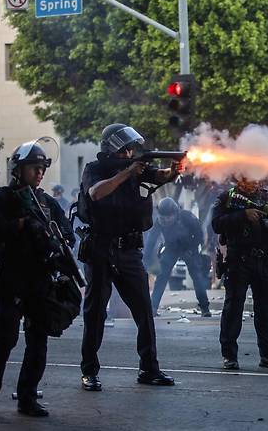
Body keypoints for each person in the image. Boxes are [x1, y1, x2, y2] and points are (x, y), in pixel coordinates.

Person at [78, 123, 177, 391]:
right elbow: (96, 193)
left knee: (144, 310)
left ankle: (149, 368)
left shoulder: (136, 171)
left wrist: (175, 170)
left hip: (129, 251)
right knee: (95, 312)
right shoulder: (95, 169)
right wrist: (127, 172)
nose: (131, 152)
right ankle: (89, 371)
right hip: (100, 249)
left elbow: (162, 176)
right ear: (115, 148)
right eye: (127, 149)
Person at [0, 140, 74, 418]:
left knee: (38, 341)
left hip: (39, 282)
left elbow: (67, 232)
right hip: (11, 281)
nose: (39, 172)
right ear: (18, 169)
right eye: (34, 167)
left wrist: (57, 240)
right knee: (5, 340)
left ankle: (27, 398)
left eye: (42, 168)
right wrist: (22, 224)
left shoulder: (46, 203)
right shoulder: (2, 199)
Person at [211, 177, 268, 370]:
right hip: (239, 260)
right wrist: (243, 215)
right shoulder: (228, 198)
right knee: (233, 309)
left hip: (265, 261)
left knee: (265, 311)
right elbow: (216, 224)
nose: (253, 183)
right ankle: (229, 356)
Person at [144, 197, 211, 316]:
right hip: (171, 248)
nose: (165, 221)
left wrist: (193, 249)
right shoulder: (159, 222)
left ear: (175, 214)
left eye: (168, 218)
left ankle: (205, 308)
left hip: (189, 248)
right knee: (162, 276)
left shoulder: (187, 217)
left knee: (197, 276)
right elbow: (152, 238)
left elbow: (199, 235)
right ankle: (153, 307)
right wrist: (146, 256)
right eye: (162, 218)